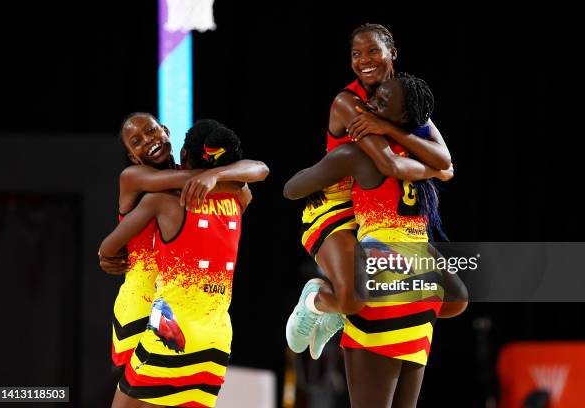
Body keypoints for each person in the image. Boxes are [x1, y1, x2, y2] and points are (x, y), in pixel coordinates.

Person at [285, 74, 465, 407]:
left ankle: (336, 304)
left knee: (457, 298)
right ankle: (321, 299)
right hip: (357, 237)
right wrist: (323, 179)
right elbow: (292, 189)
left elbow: (444, 164)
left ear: (403, 119)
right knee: (356, 298)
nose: (370, 107)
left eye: (382, 104)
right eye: (375, 99)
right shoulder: (358, 153)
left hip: (410, 258)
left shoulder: (416, 149)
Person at [100, 120, 264, 407]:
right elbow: (249, 177)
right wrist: (221, 176)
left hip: (169, 312)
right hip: (140, 306)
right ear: (132, 156)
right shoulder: (134, 176)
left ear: (166, 131)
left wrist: (216, 176)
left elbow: (258, 172)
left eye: (151, 131)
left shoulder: (194, 184)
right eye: (136, 141)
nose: (147, 140)